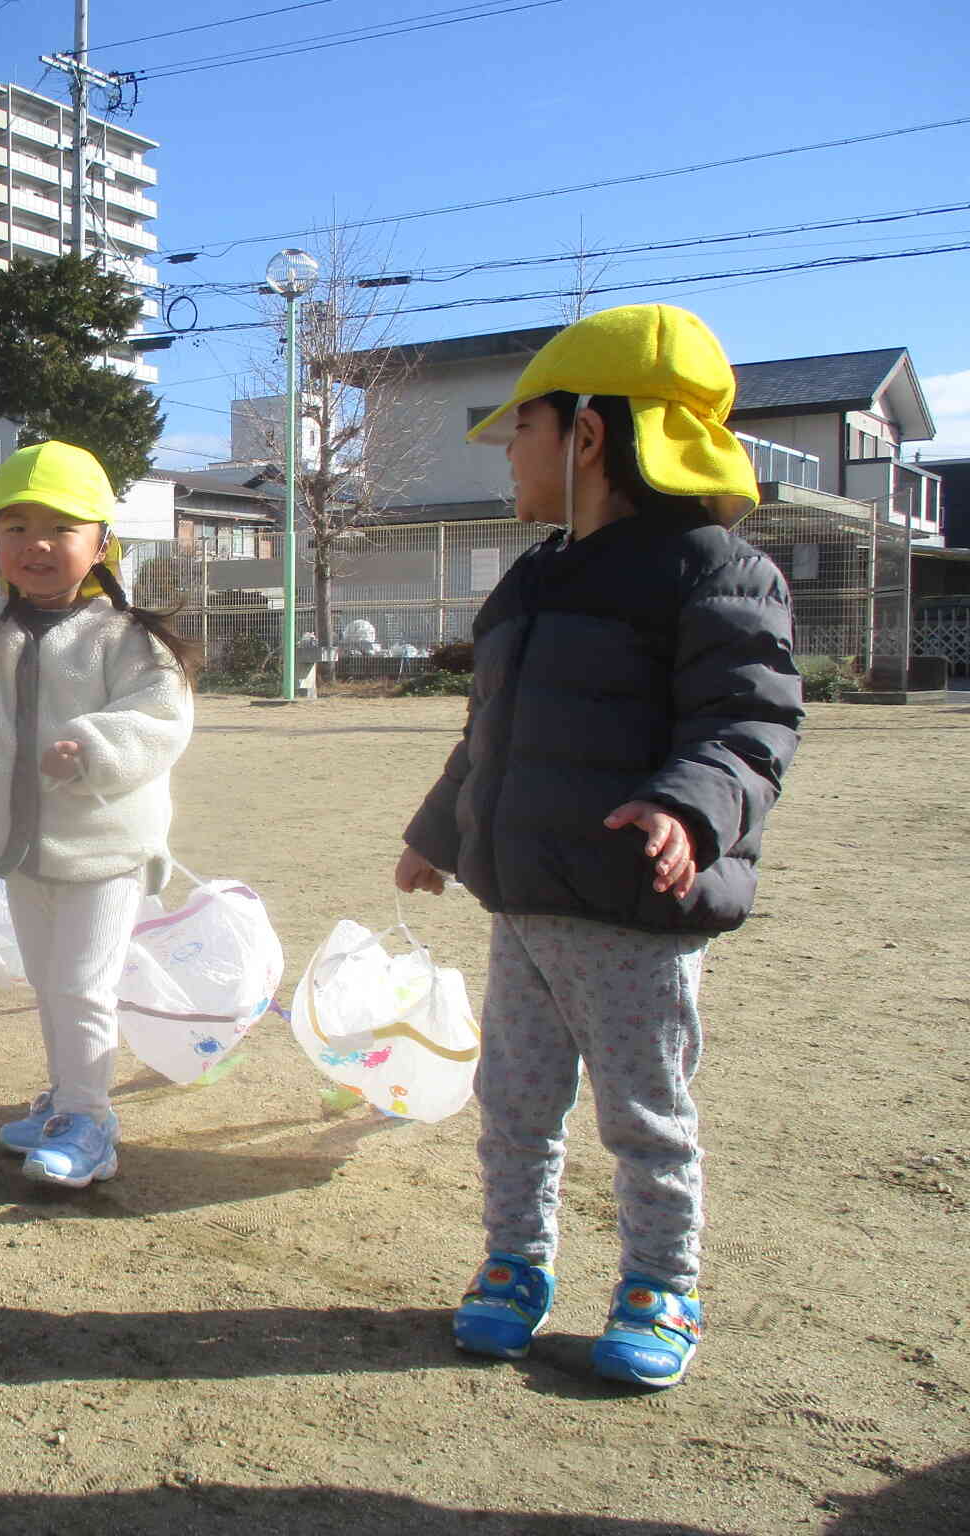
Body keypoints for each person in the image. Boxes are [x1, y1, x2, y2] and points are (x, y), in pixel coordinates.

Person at [392, 303, 804, 1390]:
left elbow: (747, 726)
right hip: (521, 901)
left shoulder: (712, 569)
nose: (504, 453)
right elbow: (488, 730)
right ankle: (512, 1266)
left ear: (583, 435)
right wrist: (438, 833)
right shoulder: (531, 578)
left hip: (630, 909)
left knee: (643, 1116)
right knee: (513, 1104)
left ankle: (659, 1284)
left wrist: (688, 808)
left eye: (516, 428)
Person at [0, 441, 196, 1188]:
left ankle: (91, 1122)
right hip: (20, 846)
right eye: (16, 526)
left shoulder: (124, 637)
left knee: (84, 986)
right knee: (49, 980)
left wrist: (91, 747)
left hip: (103, 848)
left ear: (101, 543)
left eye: (60, 527)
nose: (36, 544)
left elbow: (163, 720)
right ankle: (65, 1098)